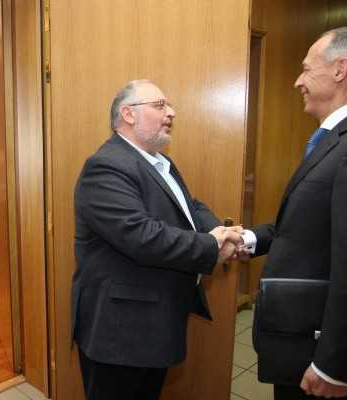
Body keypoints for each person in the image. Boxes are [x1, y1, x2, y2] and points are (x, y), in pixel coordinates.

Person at [72, 79, 243, 400]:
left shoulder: (159, 161)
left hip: (153, 323)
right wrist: (211, 246)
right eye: (160, 105)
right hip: (120, 333)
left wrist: (222, 232)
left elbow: (189, 206)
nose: (172, 113)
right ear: (128, 114)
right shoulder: (106, 166)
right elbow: (142, 236)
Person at [242, 26, 347, 399]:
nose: (298, 82)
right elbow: (309, 226)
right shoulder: (337, 137)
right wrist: (247, 238)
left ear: (341, 69)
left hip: (320, 347)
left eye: (307, 70)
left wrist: (333, 364)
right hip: (303, 336)